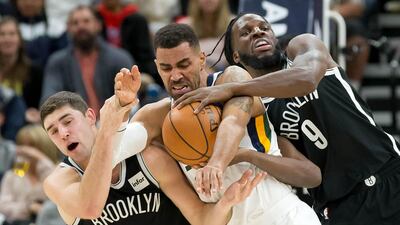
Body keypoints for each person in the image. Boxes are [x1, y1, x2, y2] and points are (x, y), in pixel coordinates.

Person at [173, 13, 400, 225]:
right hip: (342, 210)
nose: (258, 32)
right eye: (246, 32)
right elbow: (311, 175)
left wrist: (233, 88)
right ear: (235, 56)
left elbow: (308, 79)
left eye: (264, 27)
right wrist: (245, 154)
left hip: (390, 176)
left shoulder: (303, 47)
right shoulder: (258, 110)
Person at [115, 23, 321, 224]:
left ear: (201, 59)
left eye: (184, 65)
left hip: (281, 215)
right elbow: (112, 152)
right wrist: (120, 108)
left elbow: (233, 121)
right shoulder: (155, 116)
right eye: (166, 68)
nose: (176, 76)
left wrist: (216, 163)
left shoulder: (231, 79)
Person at [40, 89, 263, 225]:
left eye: (67, 121)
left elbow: (203, 220)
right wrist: (108, 128)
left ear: (90, 116)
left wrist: (225, 203)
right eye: (52, 130)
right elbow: (90, 208)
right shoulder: (58, 182)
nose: (63, 133)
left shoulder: (149, 159)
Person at [41, 5, 133, 116]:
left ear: (98, 25)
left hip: (116, 122)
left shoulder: (119, 57)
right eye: (75, 23)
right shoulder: (57, 62)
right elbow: (48, 100)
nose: (81, 26)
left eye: (86, 21)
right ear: (68, 28)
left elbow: (131, 99)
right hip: (75, 126)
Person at [0, 124, 57, 225]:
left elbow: (57, 185)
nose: (26, 150)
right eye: (22, 144)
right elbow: (3, 206)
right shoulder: (14, 174)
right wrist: (28, 207)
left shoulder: (55, 170)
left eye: (32, 145)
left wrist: (41, 158)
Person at [0, 16, 44, 123]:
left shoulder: (34, 71)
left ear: (20, 40)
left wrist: (35, 113)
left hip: (25, 125)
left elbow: (40, 107)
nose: (7, 39)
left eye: (12, 34)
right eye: (2, 34)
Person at [177, 0, 233, 71]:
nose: (208, 0)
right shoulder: (184, 26)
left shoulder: (233, 23)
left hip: (224, 70)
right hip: (194, 69)